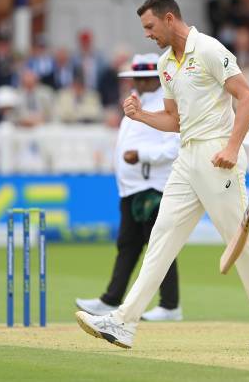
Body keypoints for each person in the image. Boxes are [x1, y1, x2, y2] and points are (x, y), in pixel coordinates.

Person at [75, 0, 249, 350]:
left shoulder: (208, 49)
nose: (147, 34)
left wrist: (233, 147)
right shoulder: (165, 64)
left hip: (217, 154)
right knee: (161, 238)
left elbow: (247, 97)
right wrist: (141, 115)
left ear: (169, 18)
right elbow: (174, 121)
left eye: (150, 26)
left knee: (240, 241)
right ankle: (124, 322)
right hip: (186, 157)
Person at [75, 53, 183, 321]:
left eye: (141, 78)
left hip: (153, 187)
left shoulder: (165, 103)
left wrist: (141, 155)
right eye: (134, 77)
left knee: (158, 244)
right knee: (128, 244)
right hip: (132, 187)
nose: (135, 82)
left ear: (153, 79)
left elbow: (174, 146)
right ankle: (111, 299)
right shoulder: (138, 101)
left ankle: (170, 305)